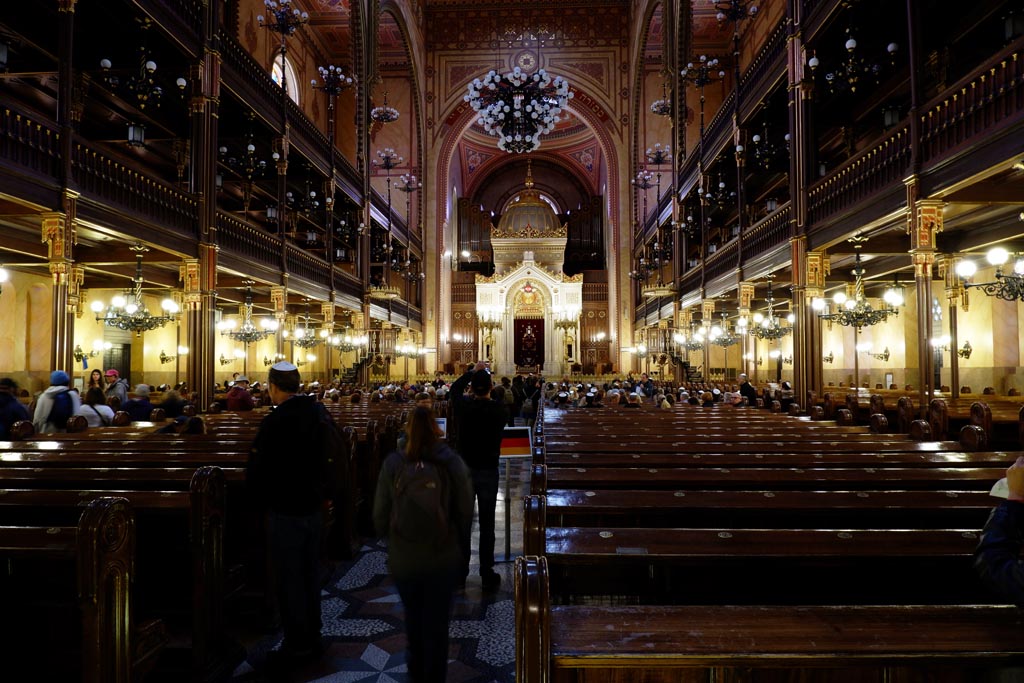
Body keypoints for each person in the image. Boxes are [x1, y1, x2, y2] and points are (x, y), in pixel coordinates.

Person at [374, 405, 473, 683]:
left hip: (405, 560)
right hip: (442, 557)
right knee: (438, 629)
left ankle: (416, 675)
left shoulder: (393, 462)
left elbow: (379, 518)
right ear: (436, 427)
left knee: (414, 625)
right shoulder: (450, 461)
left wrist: (396, 538)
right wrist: (452, 537)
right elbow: (466, 510)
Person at [246, 361, 329, 668]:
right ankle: (314, 635)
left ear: (273, 386)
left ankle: (297, 643)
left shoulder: (275, 421)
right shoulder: (318, 413)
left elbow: (258, 468)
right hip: (313, 507)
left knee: (290, 578)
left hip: (285, 509)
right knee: (310, 574)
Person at [449, 361, 508, 591]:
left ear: (471, 388)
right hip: (488, 472)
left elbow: (454, 390)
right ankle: (486, 572)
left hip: (464, 472)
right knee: (487, 525)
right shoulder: (499, 411)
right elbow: (499, 400)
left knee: (463, 524)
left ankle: (460, 572)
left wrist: (471, 372)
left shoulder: (463, 408)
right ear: (491, 387)